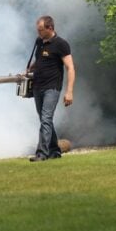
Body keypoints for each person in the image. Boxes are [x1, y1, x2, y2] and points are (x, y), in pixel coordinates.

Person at [27, 15, 75, 162]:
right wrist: (31, 68)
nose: (38, 33)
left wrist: (69, 91)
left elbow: (70, 67)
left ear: (50, 28)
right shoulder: (39, 42)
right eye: (37, 30)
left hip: (52, 87)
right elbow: (40, 59)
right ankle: (54, 150)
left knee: (46, 118)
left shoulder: (61, 44)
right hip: (37, 86)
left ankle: (42, 153)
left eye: (41, 30)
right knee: (44, 119)